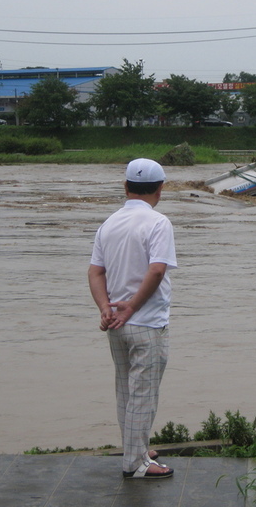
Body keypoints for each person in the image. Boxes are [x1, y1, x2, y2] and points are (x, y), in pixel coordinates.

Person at [88, 158, 177, 479]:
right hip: (147, 322)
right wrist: (133, 306)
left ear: (125, 187)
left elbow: (95, 271)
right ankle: (136, 464)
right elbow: (157, 269)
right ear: (160, 189)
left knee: (126, 391)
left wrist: (106, 308)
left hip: (116, 324)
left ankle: (136, 448)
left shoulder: (109, 223)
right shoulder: (158, 223)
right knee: (144, 392)